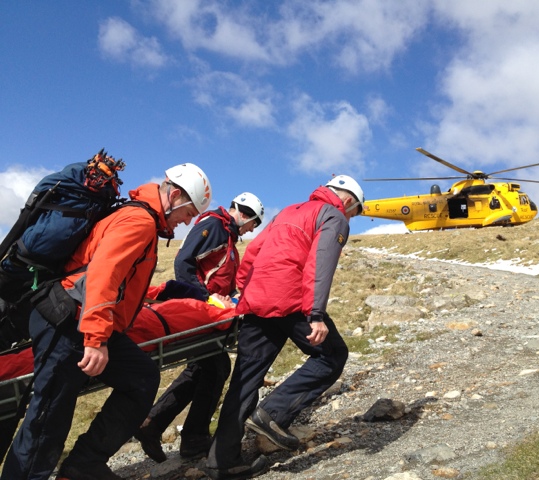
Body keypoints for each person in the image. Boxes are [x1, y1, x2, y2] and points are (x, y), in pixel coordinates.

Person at [0, 163, 212, 480]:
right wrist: (96, 339)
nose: (188, 221)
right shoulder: (138, 221)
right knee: (48, 417)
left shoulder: (143, 219)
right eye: (189, 211)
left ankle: (84, 465)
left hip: (85, 318)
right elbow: (103, 274)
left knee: (141, 378)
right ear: (176, 196)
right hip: (70, 319)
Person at [204, 175, 365, 480]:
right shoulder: (332, 215)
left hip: (256, 300)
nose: (350, 218)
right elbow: (321, 261)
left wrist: (243, 291)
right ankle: (273, 414)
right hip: (291, 300)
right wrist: (316, 314)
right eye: (353, 212)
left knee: (245, 378)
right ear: (347, 201)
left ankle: (221, 461)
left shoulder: (288, 211)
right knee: (332, 355)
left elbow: (252, 254)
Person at [135, 193, 265, 463]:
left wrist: (227, 298)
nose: (253, 228)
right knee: (215, 367)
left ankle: (157, 425)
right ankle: (189, 436)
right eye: (254, 222)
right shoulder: (215, 226)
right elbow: (184, 263)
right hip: (197, 311)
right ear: (244, 214)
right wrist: (204, 298)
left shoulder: (226, 236)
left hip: (209, 314)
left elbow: (217, 277)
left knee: (207, 367)